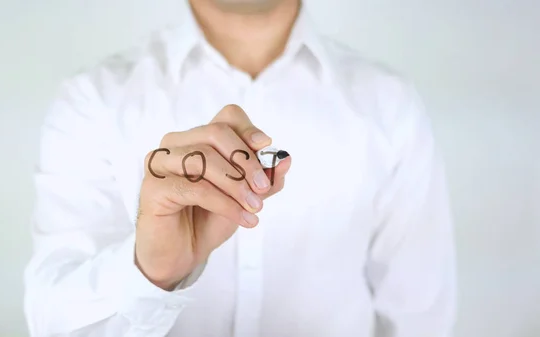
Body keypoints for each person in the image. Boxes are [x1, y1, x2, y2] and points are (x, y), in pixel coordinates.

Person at [23, 0, 457, 336]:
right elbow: (54, 322)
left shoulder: (391, 106)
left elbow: (419, 319)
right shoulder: (92, 100)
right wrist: (150, 272)